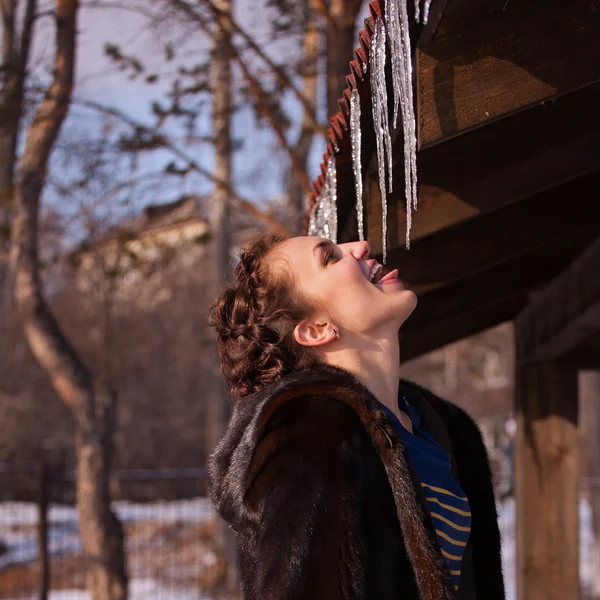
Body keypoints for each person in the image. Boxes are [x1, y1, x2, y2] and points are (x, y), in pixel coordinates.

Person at [208, 233, 504, 600]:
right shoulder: (311, 435)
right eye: (330, 258)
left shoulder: (441, 427)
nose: (361, 246)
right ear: (316, 329)